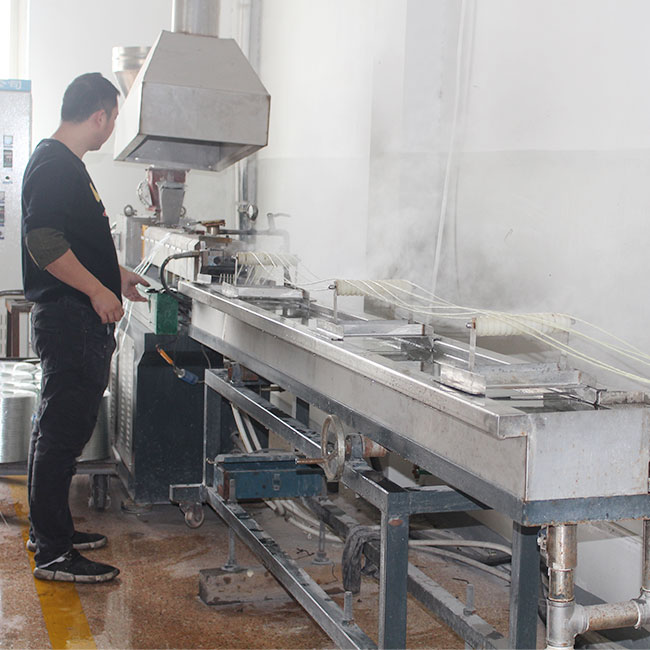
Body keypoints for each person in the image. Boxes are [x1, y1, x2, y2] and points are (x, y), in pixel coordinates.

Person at [21, 72, 149, 582]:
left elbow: (73, 242)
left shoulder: (65, 164)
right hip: (71, 320)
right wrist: (97, 291)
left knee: (58, 430)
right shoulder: (55, 164)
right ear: (99, 116)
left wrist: (115, 276)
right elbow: (44, 244)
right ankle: (53, 553)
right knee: (60, 435)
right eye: (114, 118)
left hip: (75, 316)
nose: (113, 127)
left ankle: (50, 531)